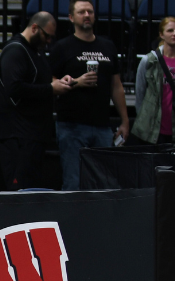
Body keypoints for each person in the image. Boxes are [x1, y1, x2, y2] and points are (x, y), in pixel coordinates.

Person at [48, 0, 130, 190]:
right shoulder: (62, 47)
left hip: (102, 125)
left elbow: (116, 85)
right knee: (73, 182)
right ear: (71, 17)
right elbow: (51, 82)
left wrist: (124, 121)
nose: (87, 15)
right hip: (72, 125)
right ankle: (72, 220)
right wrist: (77, 82)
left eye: (90, 12)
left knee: (104, 182)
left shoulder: (108, 46)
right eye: (81, 12)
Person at [0, 12, 72, 190]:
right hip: (17, 135)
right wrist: (52, 88)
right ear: (35, 28)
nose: (49, 41)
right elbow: (14, 89)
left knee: (31, 188)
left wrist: (59, 82)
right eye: (47, 35)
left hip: (33, 133)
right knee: (19, 189)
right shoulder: (15, 50)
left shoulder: (36, 52)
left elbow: (41, 82)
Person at [133, 17, 175, 145]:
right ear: (161, 34)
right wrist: (143, 118)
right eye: (170, 31)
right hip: (151, 127)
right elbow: (140, 92)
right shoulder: (149, 60)